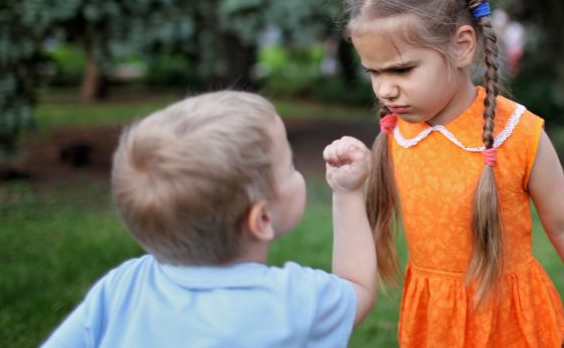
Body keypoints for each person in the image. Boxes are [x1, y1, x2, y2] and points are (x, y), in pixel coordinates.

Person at [344, 0, 564, 348]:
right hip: (434, 322)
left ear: (462, 44)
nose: (385, 88)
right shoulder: (396, 131)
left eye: (401, 69)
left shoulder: (516, 133)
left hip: (511, 321)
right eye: (373, 72)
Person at [40, 90, 376, 348]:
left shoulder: (123, 286)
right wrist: (347, 194)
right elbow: (357, 286)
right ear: (261, 219)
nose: (295, 170)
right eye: (289, 166)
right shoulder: (294, 301)